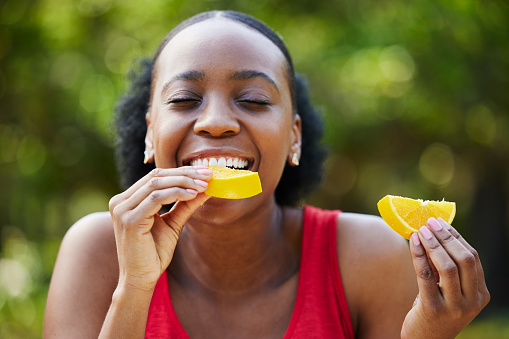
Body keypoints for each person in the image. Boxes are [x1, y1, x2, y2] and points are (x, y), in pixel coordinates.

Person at [44, 10, 490, 339]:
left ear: (294, 138)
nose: (215, 122)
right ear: (148, 134)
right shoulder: (98, 252)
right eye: (184, 100)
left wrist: (427, 335)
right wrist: (135, 288)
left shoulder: (370, 257)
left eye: (254, 100)